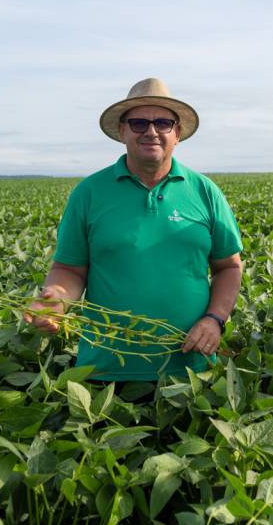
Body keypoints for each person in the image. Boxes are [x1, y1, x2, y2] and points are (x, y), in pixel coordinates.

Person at [24, 78, 243, 384]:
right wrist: (56, 300)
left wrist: (214, 319)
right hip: (105, 370)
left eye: (163, 123)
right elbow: (69, 269)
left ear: (177, 133)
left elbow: (228, 267)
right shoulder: (89, 193)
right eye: (139, 123)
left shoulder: (205, 191)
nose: (151, 131)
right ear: (122, 131)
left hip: (192, 370)